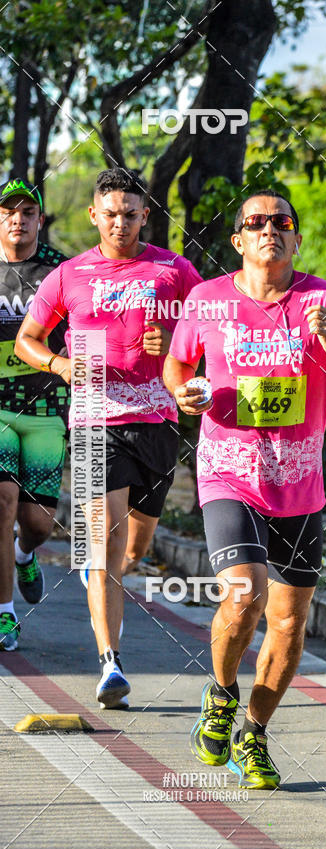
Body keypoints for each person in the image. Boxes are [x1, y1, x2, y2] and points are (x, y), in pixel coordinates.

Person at [163, 189, 326, 789]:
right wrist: (185, 393)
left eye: (281, 222)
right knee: (245, 594)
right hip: (228, 473)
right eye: (255, 223)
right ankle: (220, 692)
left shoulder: (325, 300)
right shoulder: (206, 301)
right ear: (238, 240)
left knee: (289, 624)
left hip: (299, 486)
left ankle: (253, 736)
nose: (269, 231)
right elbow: (177, 369)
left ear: (295, 237)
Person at [15, 168, 202, 707]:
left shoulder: (174, 269)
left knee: (135, 549)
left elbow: (211, 329)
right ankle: (110, 663)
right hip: (96, 420)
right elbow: (28, 338)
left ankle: (101, 579)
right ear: (93, 216)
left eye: (130, 214)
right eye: (110, 214)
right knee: (103, 543)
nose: (120, 223)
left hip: (158, 420)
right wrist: (59, 364)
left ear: (146, 216)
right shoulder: (70, 274)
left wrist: (174, 341)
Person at [0, 178, 68, 652]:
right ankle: (5, 613)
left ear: (40, 220)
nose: (17, 220)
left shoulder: (62, 271)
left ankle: (25, 553)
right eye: (8, 212)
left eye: (27, 212)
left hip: (47, 409)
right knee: (1, 503)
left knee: (38, 523)